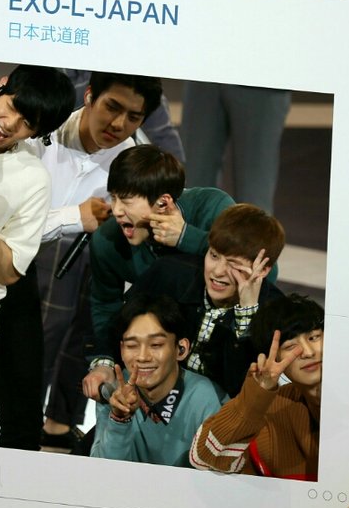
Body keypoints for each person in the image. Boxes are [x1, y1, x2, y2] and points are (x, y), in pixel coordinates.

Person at [28, 72, 163, 452]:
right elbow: (12, 220)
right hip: (31, 251)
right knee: (45, 330)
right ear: (89, 95)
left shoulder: (135, 159)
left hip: (95, 255)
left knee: (92, 330)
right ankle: (22, 421)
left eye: (133, 117)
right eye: (112, 107)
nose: (118, 124)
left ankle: (59, 424)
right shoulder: (43, 131)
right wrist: (75, 216)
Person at [180, 0, 337, 213]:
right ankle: (188, 242)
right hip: (209, 54)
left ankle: (251, 246)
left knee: (254, 184)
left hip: (265, 65)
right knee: (193, 176)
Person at [0, 64, 75, 447]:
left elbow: (8, 271)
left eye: (27, 124)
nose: (9, 124)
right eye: (13, 106)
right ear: (1, 88)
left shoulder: (32, 178)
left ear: (36, 134)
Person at [84, 144, 236, 401]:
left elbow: (261, 272)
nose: (116, 210)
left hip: (225, 345)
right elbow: (105, 305)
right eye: (114, 197)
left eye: (126, 200)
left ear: (163, 202)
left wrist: (188, 238)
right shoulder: (107, 241)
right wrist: (104, 362)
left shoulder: (212, 207)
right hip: (162, 350)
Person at [126, 203, 285, 398]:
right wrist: (104, 364)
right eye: (214, 255)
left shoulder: (277, 313)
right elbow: (119, 327)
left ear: (263, 270)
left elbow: (241, 390)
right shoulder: (169, 273)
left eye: (233, 264)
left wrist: (247, 312)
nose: (217, 271)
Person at [190, 293, 324, 478]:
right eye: (290, 346)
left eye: (314, 338)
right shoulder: (275, 408)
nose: (308, 352)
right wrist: (258, 394)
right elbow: (204, 458)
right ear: (273, 357)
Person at [90, 293, 226, 466]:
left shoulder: (207, 399)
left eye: (156, 345)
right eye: (132, 345)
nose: (142, 357)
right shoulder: (115, 390)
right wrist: (119, 419)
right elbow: (103, 471)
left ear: (181, 349)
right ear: (122, 349)